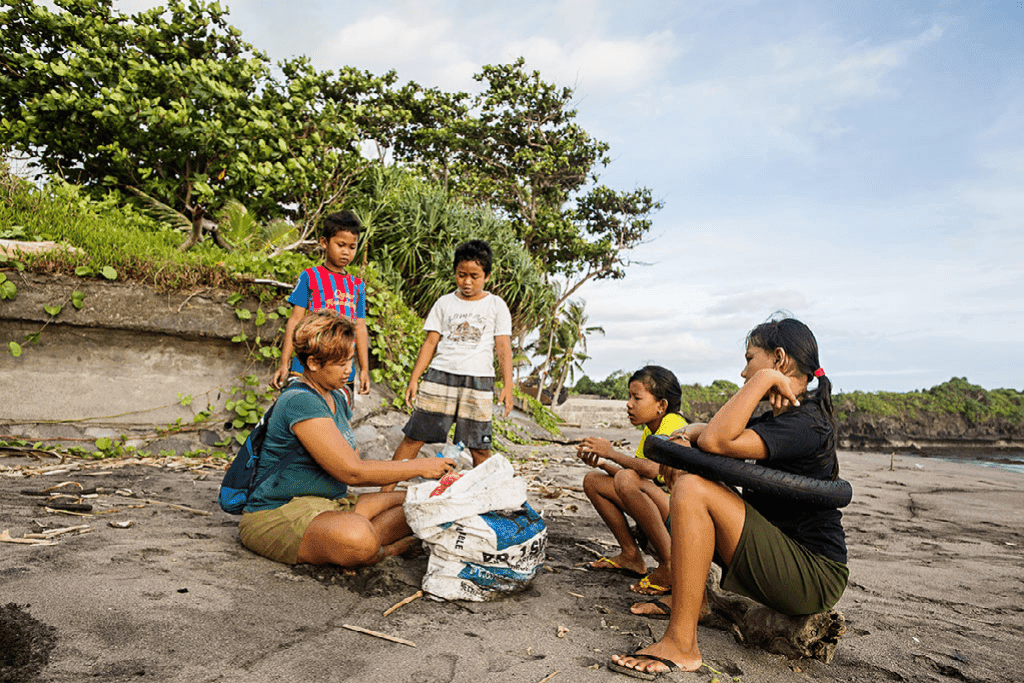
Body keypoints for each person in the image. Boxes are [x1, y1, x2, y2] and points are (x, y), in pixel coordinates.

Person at [609, 317, 849, 677]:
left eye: (751, 359)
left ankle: (681, 645)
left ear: (779, 358)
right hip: (784, 557)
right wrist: (686, 435)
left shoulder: (807, 422)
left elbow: (716, 441)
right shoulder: (778, 421)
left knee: (692, 487)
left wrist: (765, 378)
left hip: (813, 575)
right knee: (689, 478)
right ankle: (696, 604)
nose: (743, 372)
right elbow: (705, 434)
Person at [239, 310, 454, 567]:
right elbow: (351, 472)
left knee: (425, 502)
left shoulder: (338, 396)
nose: (349, 372)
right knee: (356, 536)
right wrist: (418, 467)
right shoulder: (299, 400)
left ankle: (366, 540)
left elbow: (352, 462)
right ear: (313, 364)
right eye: (341, 365)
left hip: (331, 504)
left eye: (350, 362)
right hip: (280, 512)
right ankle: (384, 549)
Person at [382, 240, 514, 492]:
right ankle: (384, 489)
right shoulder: (444, 303)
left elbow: (503, 348)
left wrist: (508, 385)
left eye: (474, 276)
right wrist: (414, 380)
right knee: (414, 437)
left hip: (478, 383)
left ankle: (485, 499)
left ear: (487, 276)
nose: (467, 282)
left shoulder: (496, 305)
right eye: (461, 275)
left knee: (480, 447)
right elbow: (430, 342)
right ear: (454, 272)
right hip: (440, 378)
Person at [577, 366, 687, 595]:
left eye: (637, 397)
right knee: (593, 481)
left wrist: (611, 453)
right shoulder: (651, 429)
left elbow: (652, 469)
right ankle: (630, 555)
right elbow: (637, 476)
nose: (629, 403)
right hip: (661, 503)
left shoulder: (673, 423)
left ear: (661, 406)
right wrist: (601, 463)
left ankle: (668, 565)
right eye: (630, 397)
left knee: (626, 478)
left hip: (682, 513)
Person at [271, 210, 370, 396]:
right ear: (324, 243)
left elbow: (360, 327)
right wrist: (284, 364)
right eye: (341, 245)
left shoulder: (357, 286)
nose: (346, 252)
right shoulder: (309, 277)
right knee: (301, 413)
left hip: (342, 373)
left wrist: (364, 369)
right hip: (307, 367)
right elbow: (295, 320)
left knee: (336, 420)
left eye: (352, 247)